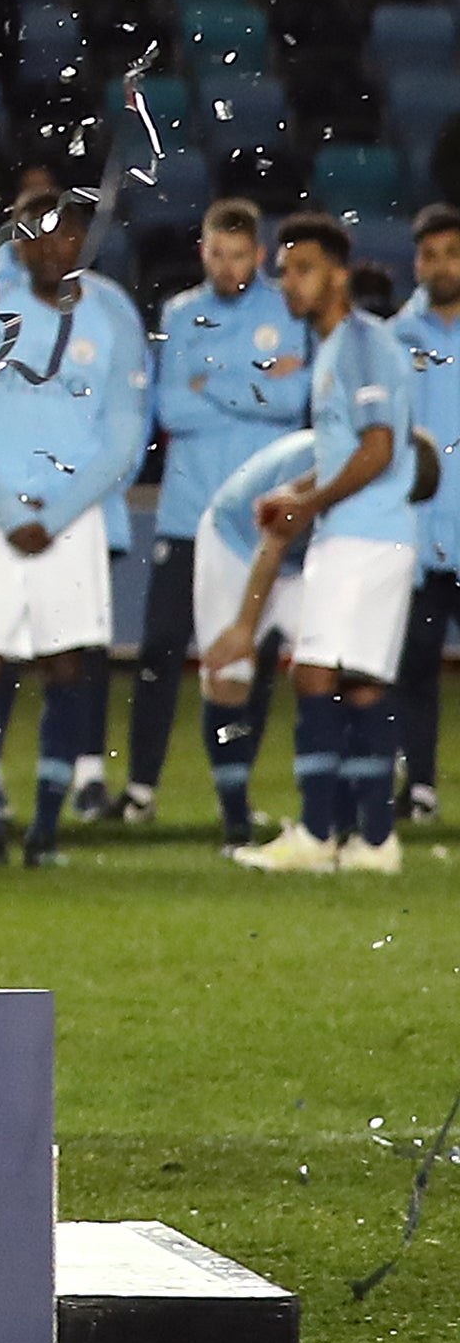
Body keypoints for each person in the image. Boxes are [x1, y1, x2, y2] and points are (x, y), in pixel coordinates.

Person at [0, 193, 149, 863]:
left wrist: (54, 514)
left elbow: (125, 433)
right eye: (36, 236)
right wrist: (8, 510)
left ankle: (47, 831)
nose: (51, 247)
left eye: (65, 235)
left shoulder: (113, 311)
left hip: (72, 516)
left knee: (67, 664)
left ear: (84, 240)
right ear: (19, 242)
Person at [223, 215, 417, 876]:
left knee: (313, 672)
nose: (289, 282)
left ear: (338, 272)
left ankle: (314, 832)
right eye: (284, 270)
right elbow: (348, 449)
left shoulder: (358, 341)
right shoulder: (340, 344)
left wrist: (308, 504)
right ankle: (375, 840)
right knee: (361, 683)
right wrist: (297, 487)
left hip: (362, 535)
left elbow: (378, 448)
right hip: (380, 533)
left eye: (303, 268)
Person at [146, 199, 294, 837]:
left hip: (257, 522)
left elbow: (298, 396)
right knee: (159, 651)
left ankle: (236, 792)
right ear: (202, 252)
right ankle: (138, 789)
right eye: (216, 252)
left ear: (258, 255)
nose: (228, 264)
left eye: (240, 253)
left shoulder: (288, 308)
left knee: (250, 658)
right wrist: (258, 382)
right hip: (186, 513)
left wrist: (216, 385)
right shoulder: (179, 313)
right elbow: (171, 408)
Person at [384, 205, 460, 830]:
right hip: (418, 535)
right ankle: (421, 786)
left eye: (452, 254)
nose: (441, 267)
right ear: (416, 263)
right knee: (414, 671)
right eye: (430, 255)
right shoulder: (392, 339)